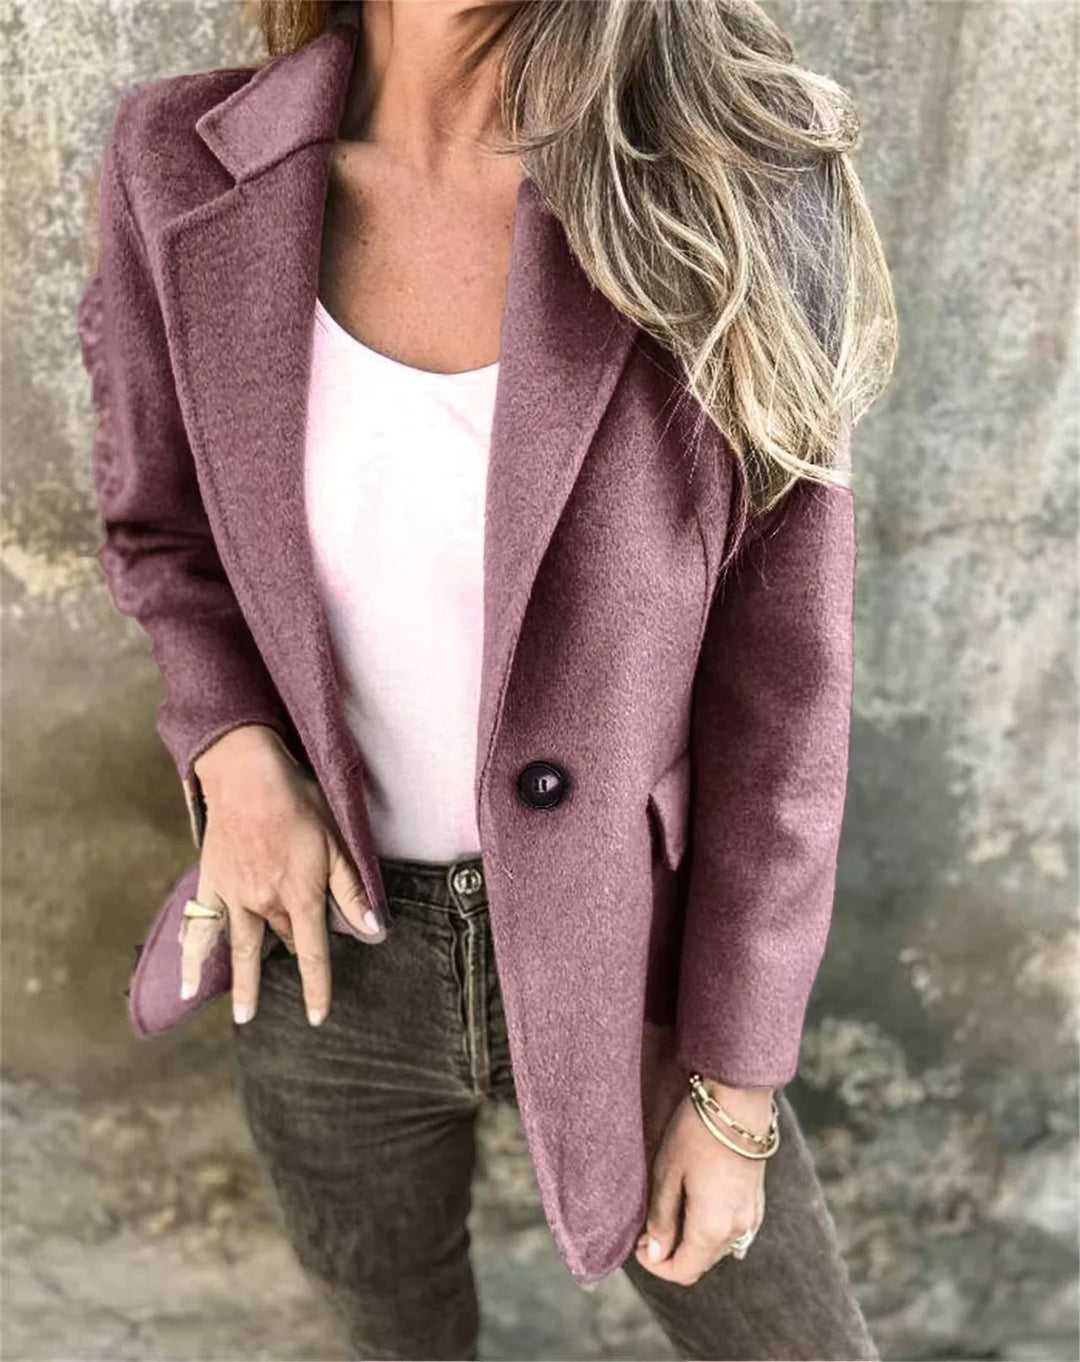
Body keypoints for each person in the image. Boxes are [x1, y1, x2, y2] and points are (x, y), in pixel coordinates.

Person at [77, 0, 897, 1356]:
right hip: (321, 954)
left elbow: (787, 692)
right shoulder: (181, 161)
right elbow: (159, 532)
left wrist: (736, 1084)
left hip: (629, 953)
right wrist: (229, 745)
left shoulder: (740, 175)